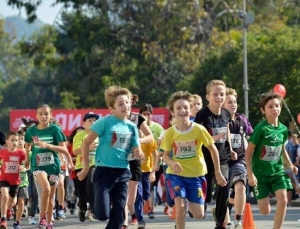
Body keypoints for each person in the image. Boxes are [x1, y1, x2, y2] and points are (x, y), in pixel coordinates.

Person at [77, 86, 143, 229]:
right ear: (112, 108)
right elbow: (86, 143)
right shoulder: (105, 122)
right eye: (120, 104)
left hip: (123, 172)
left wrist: (139, 153)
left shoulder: (132, 127)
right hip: (104, 172)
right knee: (102, 214)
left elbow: (137, 149)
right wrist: (86, 168)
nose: (125, 106)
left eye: (127, 102)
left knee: (120, 216)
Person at [161, 91, 227, 229]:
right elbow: (165, 155)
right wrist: (172, 163)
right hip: (176, 175)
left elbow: (213, 149)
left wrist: (218, 172)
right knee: (180, 208)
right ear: (173, 112)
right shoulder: (170, 133)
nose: (182, 111)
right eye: (178, 108)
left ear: (190, 110)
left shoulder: (199, 129)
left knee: (198, 215)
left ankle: (190, 201)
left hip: (196, 175)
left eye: (185, 107)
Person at [246, 91, 297, 229]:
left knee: (283, 200)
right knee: (264, 211)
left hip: (277, 172)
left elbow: (281, 149)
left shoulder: (283, 129)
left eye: (277, 106)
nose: (275, 109)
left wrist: (290, 164)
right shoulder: (260, 129)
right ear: (263, 110)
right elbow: (248, 152)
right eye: (270, 106)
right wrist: (250, 175)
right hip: (260, 174)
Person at [24, 104, 74, 229]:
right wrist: (26, 158)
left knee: (51, 196)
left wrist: (48, 146)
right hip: (37, 165)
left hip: (53, 167)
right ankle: (42, 218)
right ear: (36, 116)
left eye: (46, 114)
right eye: (40, 114)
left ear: (50, 115)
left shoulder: (55, 130)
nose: (43, 116)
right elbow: (27, 145)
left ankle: (50, 221)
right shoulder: (31, 131)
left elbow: (63, 149)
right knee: (45, 189)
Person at [194, 79, 235, 229]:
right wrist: (214, 138)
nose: (219, 97)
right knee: (204, 199)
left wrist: (230, 148)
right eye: (215, 94)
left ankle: (220, 222)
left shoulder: (226, 114)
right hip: (204, 160)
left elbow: (227, 131)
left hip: (222, 158)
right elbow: (198, 140)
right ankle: (199, 206)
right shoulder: (202, 115)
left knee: (224, 186)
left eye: (222, 94)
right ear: (208, 97)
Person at [223, 87, 253, 229]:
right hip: (222, 161)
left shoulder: (242, 119)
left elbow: (249, 136)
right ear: (222, 104)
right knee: (224, 193)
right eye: (229, 102)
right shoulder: (219, 120)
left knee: (240, 186)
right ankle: (226, 219)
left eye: (235, 102)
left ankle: (238, 220)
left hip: (239, 160)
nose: (233, 104)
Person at [125, 95, 154, 229]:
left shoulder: (137, 118)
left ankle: (134, 213)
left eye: (128, 101)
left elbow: (150, 136)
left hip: (136, 159)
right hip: (118, 160)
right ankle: (132, 219)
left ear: (131, 102)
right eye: (122, 102)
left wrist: (137, 142)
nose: (125, 105)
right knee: (123, 191)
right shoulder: (111, 119)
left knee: (141, 194)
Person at [139, 103, 165, 218]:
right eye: (144, 114)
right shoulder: (138, 127)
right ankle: (144, 209)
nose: (146, 116)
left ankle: (151, 209)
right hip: (141, 164)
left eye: (148, 114)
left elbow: (164, 136)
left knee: (151, 186)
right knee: (143, 188)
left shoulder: (157, 127)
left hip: (156, 161)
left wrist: (161, 139)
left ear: (151, 115)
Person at [73, 112, 99, 222]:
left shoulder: (99, 135)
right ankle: (82, 209)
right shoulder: (79, 135)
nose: (93, 122)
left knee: (91, 182)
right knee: (81, 192)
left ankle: (93, 209)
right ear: (84, 123)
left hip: (94, 164)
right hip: (81, 165)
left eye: (94, 120)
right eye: (90, 121)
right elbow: (75, 151)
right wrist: (89, 147)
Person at [0, 131, 26, 229]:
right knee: (5, 195)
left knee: (12, 203)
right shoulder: (2, 152)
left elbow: (26, 164)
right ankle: (3, 220)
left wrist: (24, 167)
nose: (15, 142)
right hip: (4, 179)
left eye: (16, 140)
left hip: (15, 181)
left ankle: (7, 210)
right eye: (12, 140)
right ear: (7, 141)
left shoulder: (21, 153)